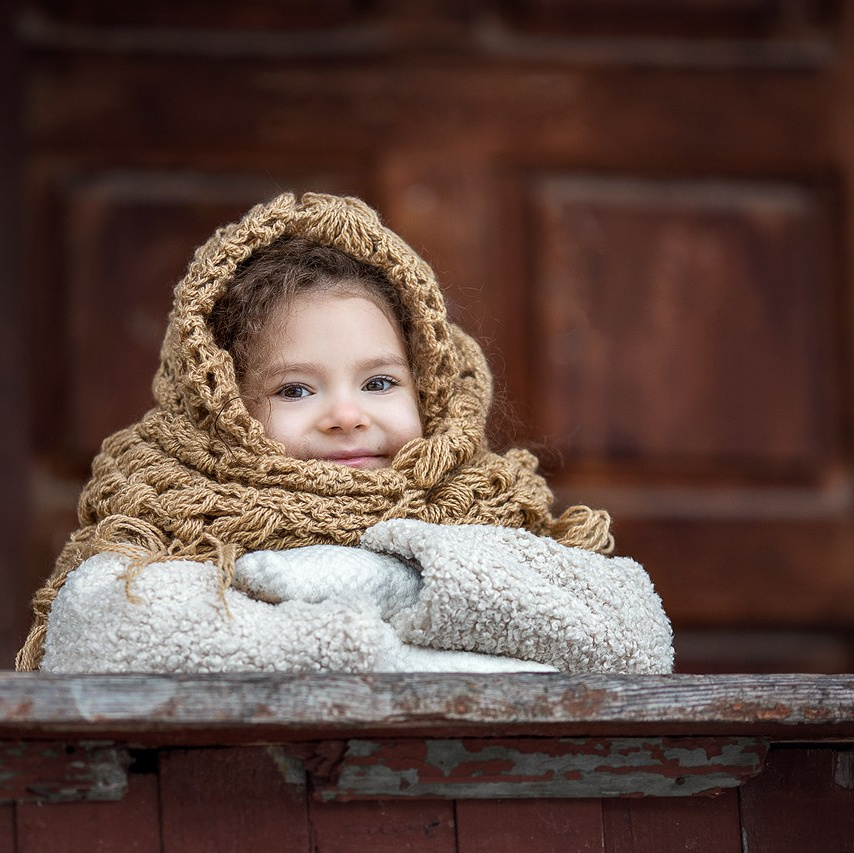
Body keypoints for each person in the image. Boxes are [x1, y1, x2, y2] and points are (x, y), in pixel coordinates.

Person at [16, 191, 658, 673]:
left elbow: (636, 637)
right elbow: (97, 633)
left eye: (380, 382)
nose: (347, 415)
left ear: (428, 387)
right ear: (223, 410)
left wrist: (393, 581)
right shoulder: (172, 508)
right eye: (295, 390)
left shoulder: (487, 506)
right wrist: (386, 653)